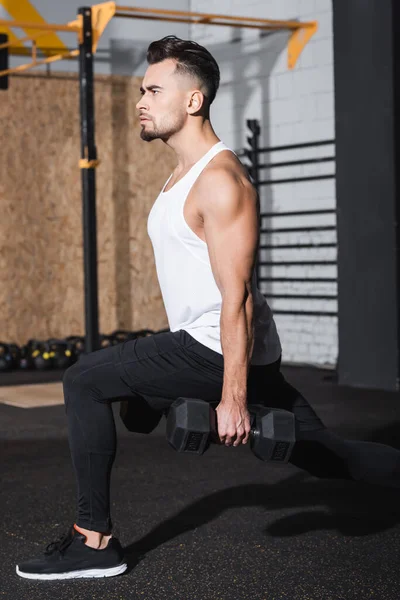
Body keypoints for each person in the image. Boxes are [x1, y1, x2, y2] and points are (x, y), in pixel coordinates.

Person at [17, 35, 400, 581]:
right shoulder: (181, 175)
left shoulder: (221, 180)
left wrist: (233, 398)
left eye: (153, 90)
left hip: (216, 346)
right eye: (141, 91)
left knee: (84, 380)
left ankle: (94, 542)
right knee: (326, 455)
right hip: (213, 344)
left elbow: (237, 300)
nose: (141, 102)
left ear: (193, 101)